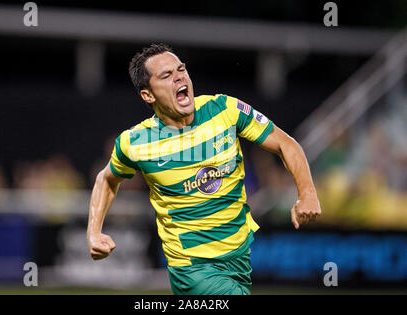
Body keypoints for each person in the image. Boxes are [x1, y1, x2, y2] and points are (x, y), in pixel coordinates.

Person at [87, 43, 321, 295]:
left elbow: (286, 144)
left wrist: (307, 192)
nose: (179, 77)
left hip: (239, 257)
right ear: (148, 95)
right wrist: (93, 232)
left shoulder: (224, 110)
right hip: (191, 268)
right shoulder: (135, 143)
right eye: (166, 75)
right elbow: (107, 179)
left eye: (181, 69)